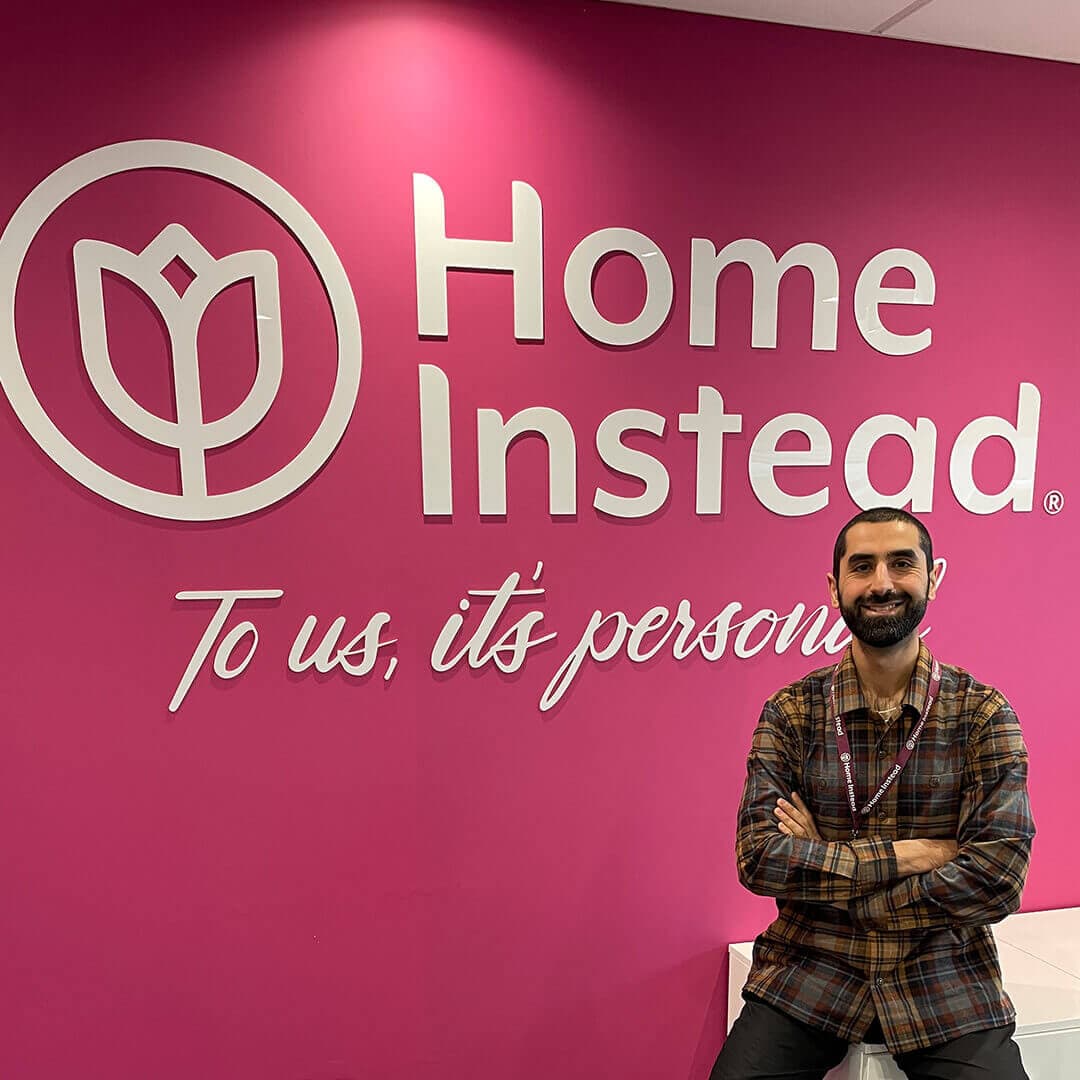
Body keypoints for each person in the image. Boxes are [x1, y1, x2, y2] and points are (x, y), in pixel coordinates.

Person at [710, 507, 1035, 1080]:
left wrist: (836, 876)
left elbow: (999, 876)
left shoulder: (983, 714)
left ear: (933, 577)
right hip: (810, 969)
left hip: (943, 976)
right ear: (835, 588)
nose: (882, 582)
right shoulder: (792, 712)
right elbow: (759, 858)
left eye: (901, 563)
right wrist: (907, 855)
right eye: (862, 567)